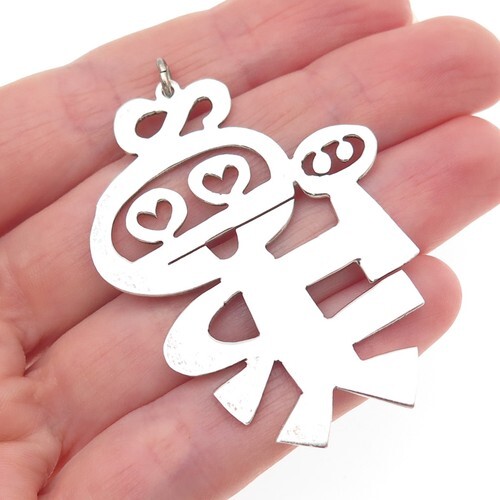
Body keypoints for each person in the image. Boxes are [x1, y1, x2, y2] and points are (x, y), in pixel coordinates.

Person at [0, 0, 498, 498]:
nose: (208, 221)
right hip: (285, 351)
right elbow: (186, 351)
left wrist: (341, 188)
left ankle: (337, 378)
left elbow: (371, 246)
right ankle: (329, 381)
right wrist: (253, 347)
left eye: (229, 184)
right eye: (160, 224)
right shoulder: (214, 297)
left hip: (326, 340)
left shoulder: (276, 263)